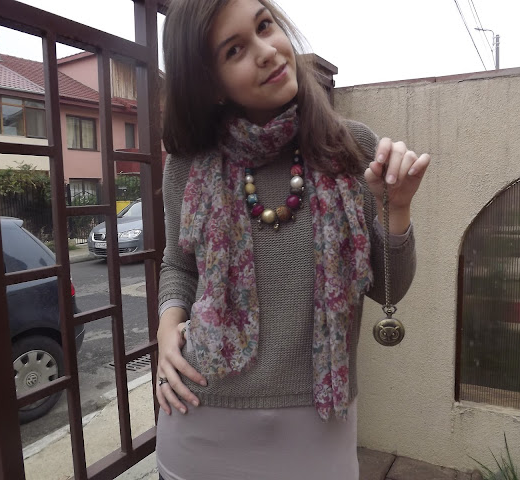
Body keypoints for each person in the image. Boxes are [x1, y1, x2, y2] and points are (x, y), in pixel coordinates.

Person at [155, 0, 431, 478]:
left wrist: (397, 209)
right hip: (200, 425)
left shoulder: (353, 150)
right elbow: (179, 266)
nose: (266, 51)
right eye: (235, 50)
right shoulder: (188, 165)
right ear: (210, 84)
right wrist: (166, 331)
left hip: (318, 438)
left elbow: (390, 289)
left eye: (264, 26)